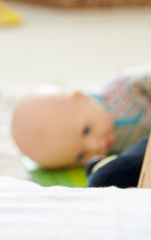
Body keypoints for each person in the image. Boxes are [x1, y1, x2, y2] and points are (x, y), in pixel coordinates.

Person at [11, 65, 151, 184]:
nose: (95, 146)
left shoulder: (121, 90)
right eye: (81, 156)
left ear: (82, 97)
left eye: (86, 130)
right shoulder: (106, 157)